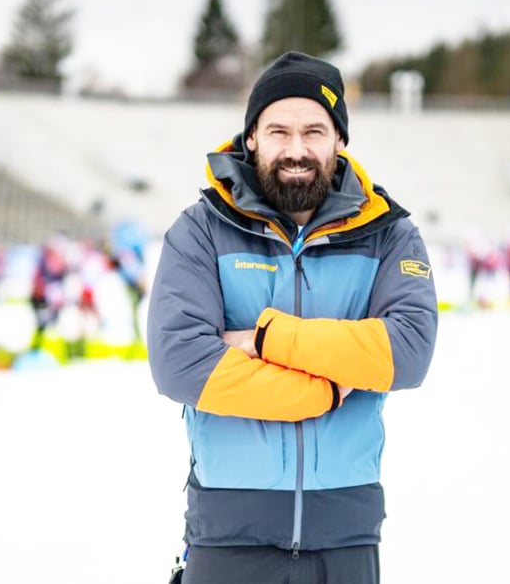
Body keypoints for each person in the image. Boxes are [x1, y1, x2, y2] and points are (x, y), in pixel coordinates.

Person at [147, 51, 438, 584]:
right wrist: (325, 391)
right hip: (227, 535)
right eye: (279, 131)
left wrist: (265, 337)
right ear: (251, 136)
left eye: (314, 131)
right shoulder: (200, 231)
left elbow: (409, 352)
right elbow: (179, 362)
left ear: (340, 140)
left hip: (345, 535)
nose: (297, 149)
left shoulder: (390, 234)